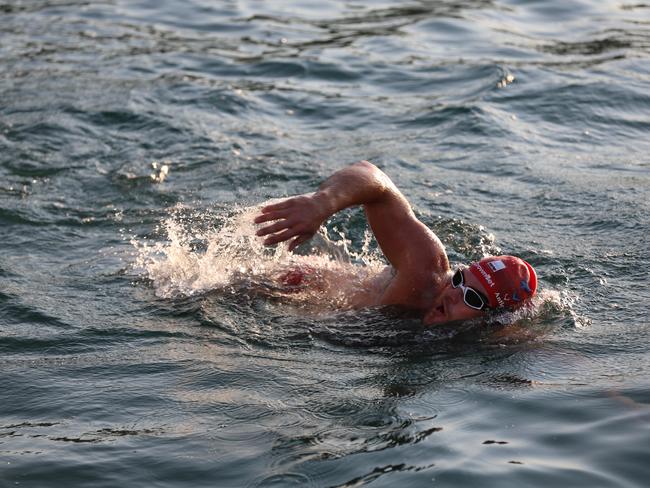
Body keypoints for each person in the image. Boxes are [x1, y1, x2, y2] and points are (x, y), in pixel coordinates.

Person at [254, 161, 537, 325]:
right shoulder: (426, 273)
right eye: (461, 278)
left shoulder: (490, 331)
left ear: (492, 318)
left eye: (471, 298)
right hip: (287, 284)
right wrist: (320, 203)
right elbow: (373, 178)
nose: (453, 292)